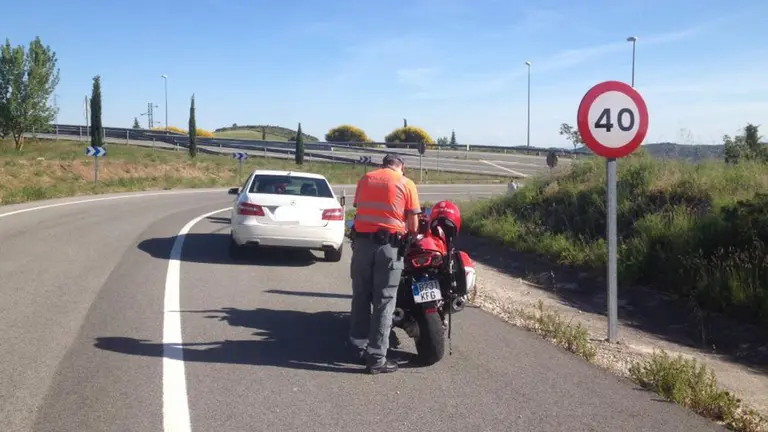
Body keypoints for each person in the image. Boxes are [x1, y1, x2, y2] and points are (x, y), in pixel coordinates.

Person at [348, 153, 421, 374]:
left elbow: (358, 207)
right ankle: (377, 358)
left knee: (360, 295)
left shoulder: (366, 179)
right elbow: (414, 223)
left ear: (383, 165)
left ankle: (357, 345)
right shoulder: (406, 183)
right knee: (385, 301)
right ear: (402, 167)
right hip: (389, 248)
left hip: (361, 246)